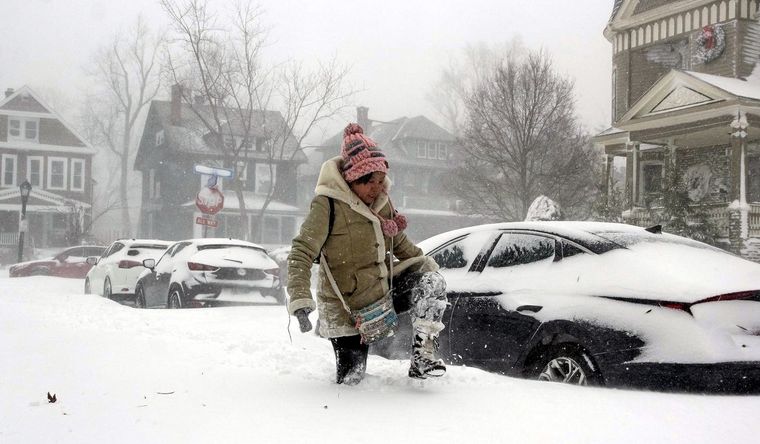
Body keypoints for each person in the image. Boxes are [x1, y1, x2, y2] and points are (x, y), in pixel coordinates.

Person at [287, 123, 448, 385]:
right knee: (353, 380)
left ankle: (424, 357)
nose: (376, 188)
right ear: (352, 179)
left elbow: (404, 248)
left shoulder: (382, 205)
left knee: (431, 281)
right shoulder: (327, 204)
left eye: (380, 180)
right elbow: (301, 252)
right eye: (368, 182)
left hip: (382, 293)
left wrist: (433, 271)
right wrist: (301, 299)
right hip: (346, 307)